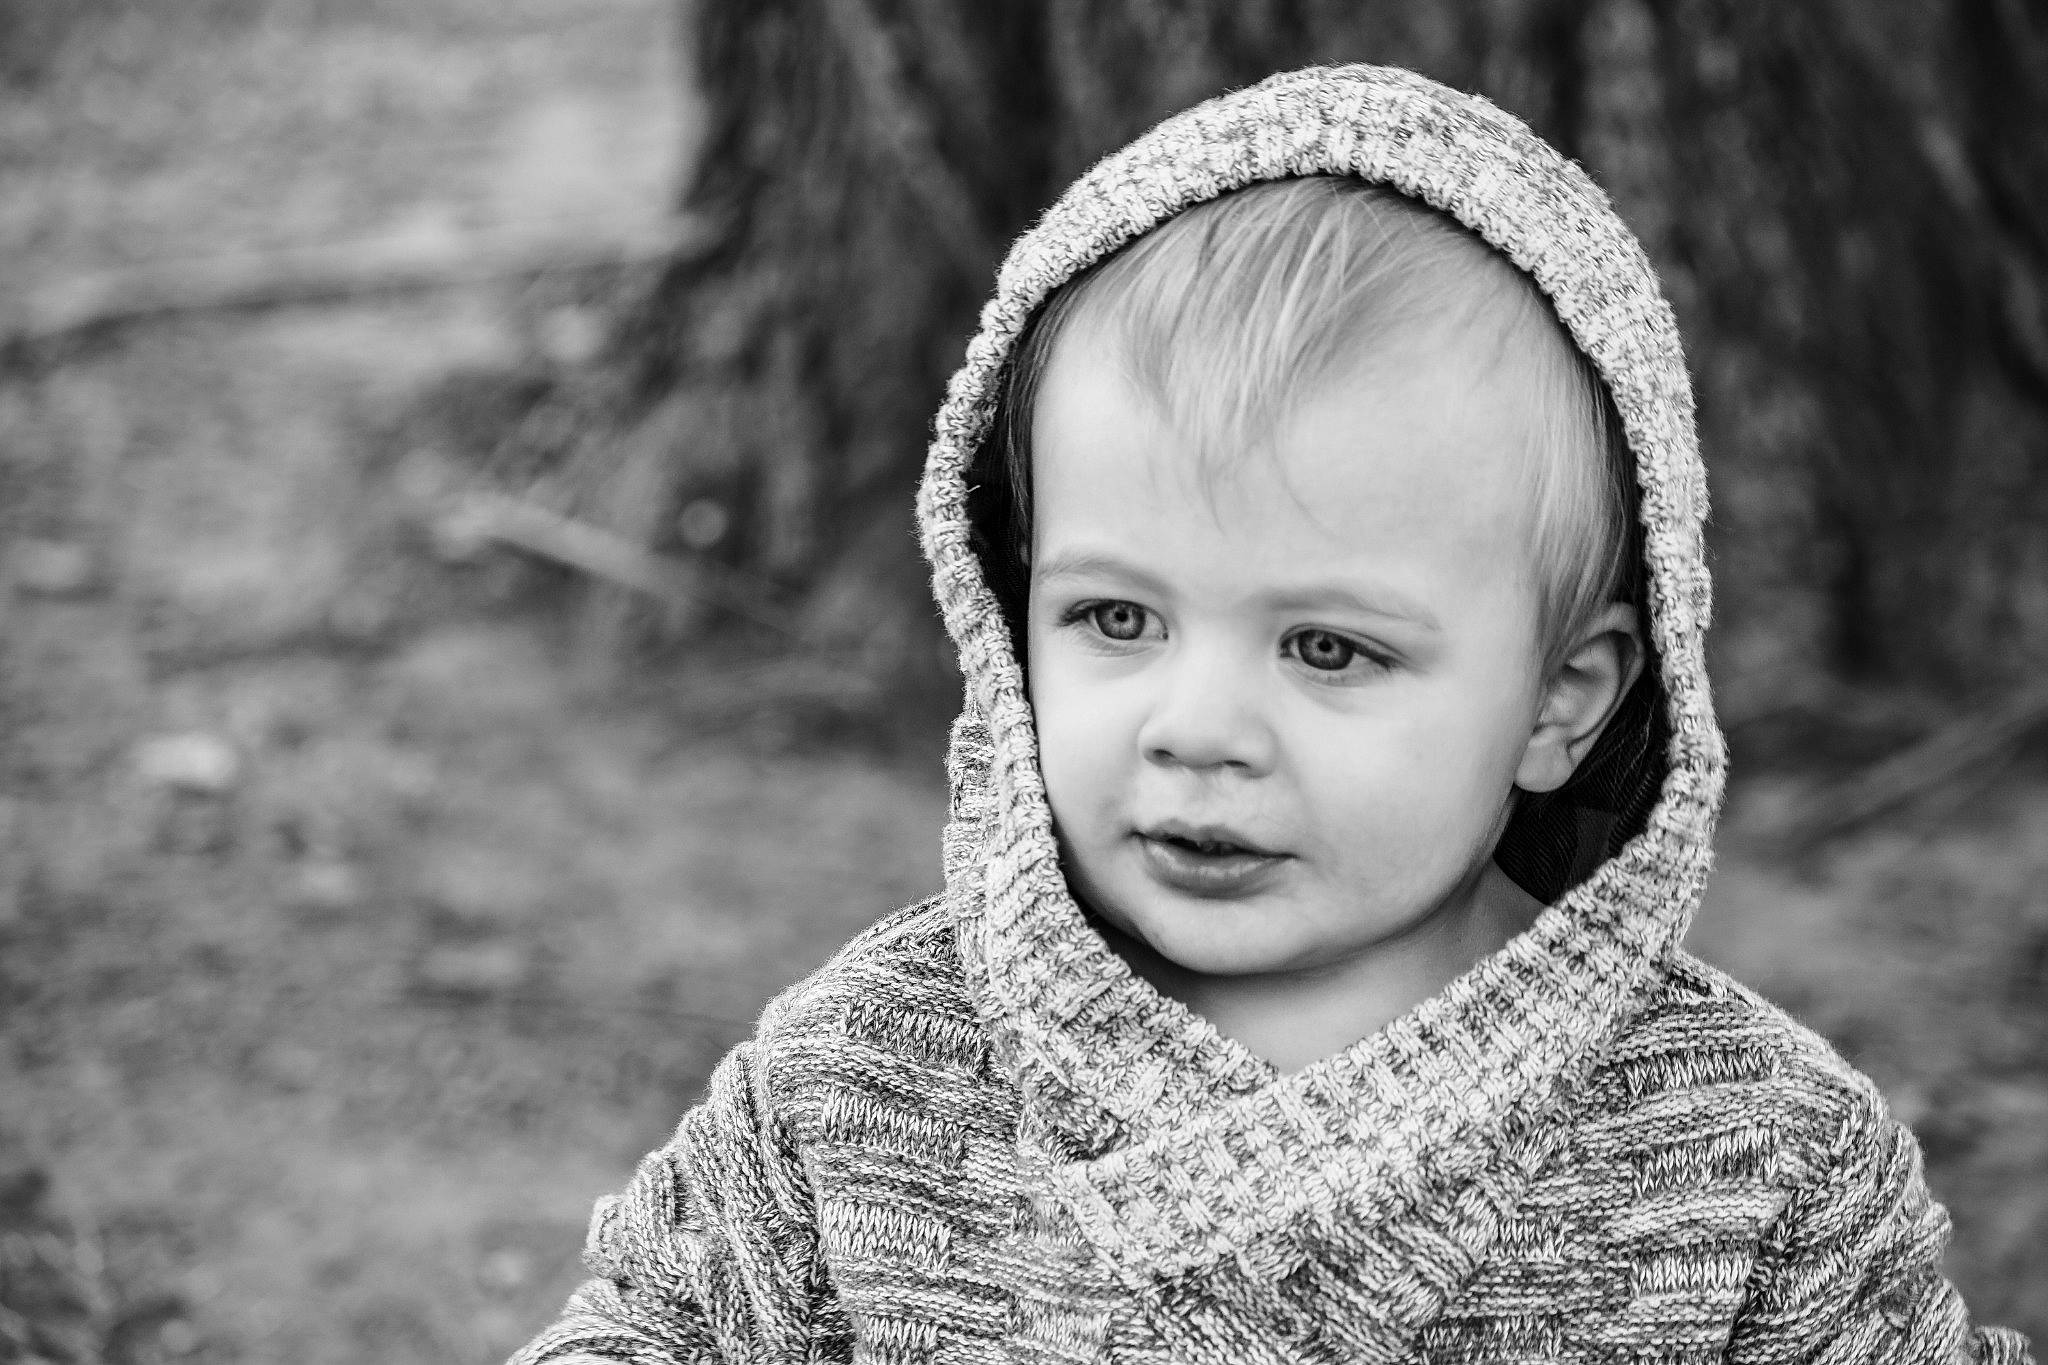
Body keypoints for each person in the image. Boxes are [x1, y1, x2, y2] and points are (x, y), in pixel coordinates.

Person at [512, 65, 2034, 1363]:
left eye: (1326, 648)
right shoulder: (868, 1071)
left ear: (1559, 702)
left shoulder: (1756, 1156)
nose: (1197, 727)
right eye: (1117, 620)